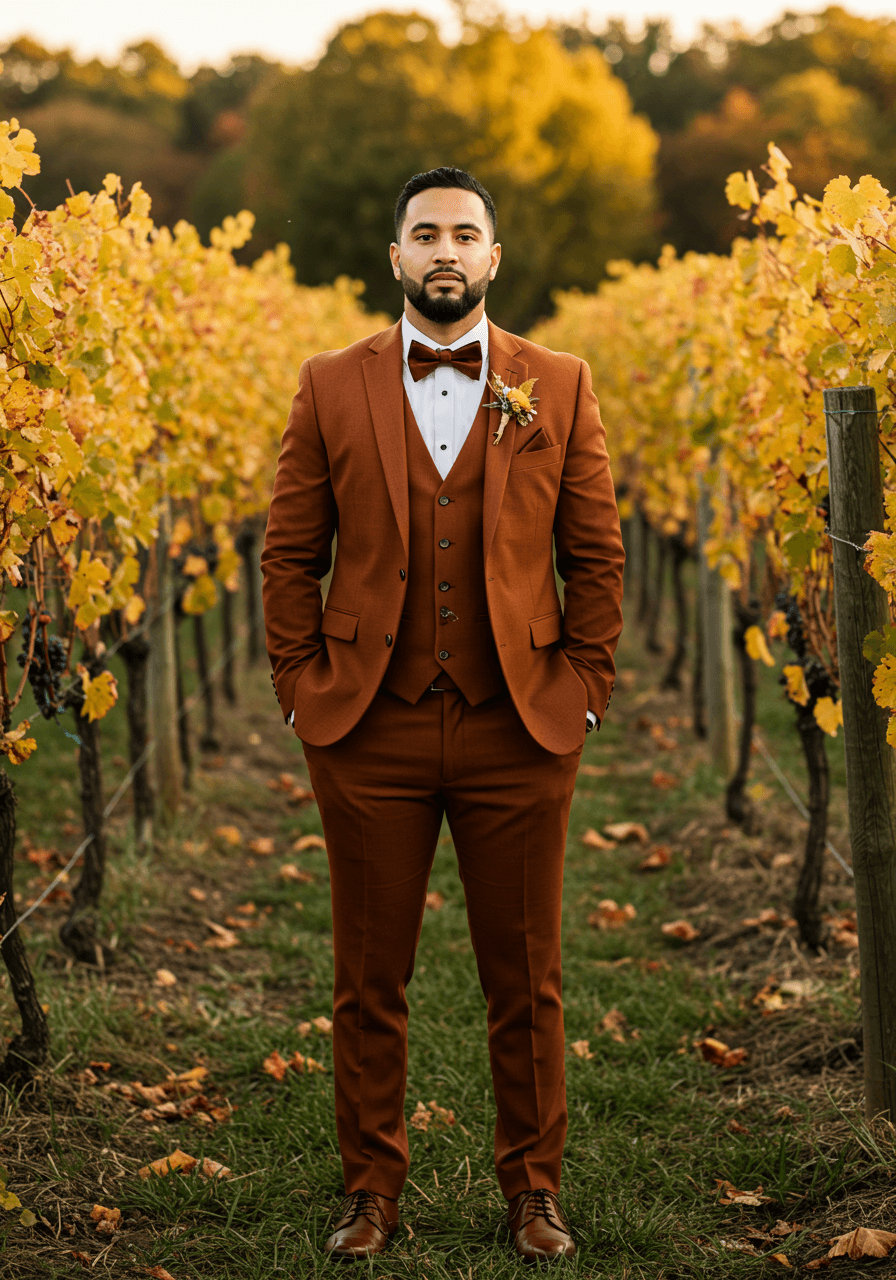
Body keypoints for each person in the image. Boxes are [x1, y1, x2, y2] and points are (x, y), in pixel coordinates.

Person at [261, 167, 624, 1262]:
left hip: (521, 722)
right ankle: (370, 1189)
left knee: (527, 974)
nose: (445, 250)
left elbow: (595, 553)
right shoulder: (331, 382)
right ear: (396, 259)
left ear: (493, 258)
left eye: (464, 232)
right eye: (425, 234)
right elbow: (287, 553)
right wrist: (298, 687)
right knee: (369, 977)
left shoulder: (555, 382)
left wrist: (585, 688)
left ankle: (532, 1189)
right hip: (366, 725)